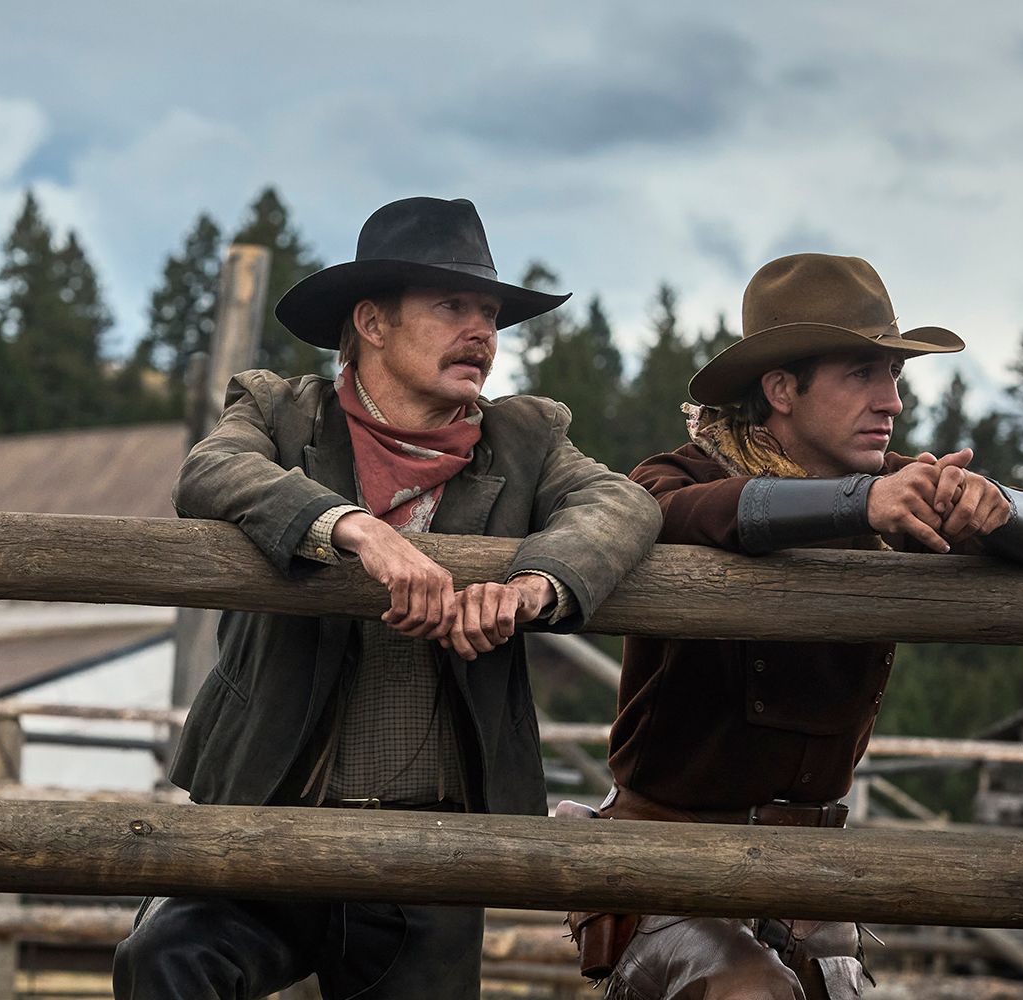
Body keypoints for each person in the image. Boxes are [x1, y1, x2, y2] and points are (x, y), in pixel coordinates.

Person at [113, 196, 662, 999]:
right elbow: (211, 471)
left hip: (429, 843)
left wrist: (529, 588)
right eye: (452, 307)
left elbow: (623, 506)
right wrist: (354, 531)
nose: (481, 330)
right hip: (270, 813)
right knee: (166, 959)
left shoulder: (528, 436)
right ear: (371, 322)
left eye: (490, 313)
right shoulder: (280, 409)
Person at [575, 253, 1023, 1000]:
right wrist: (858, 505)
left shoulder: (897, 488)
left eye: (895, 375)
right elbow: (675, 511)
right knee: (751, 994)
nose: (892, 401)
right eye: (862, 374)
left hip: (810, 879)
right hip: (668, 865)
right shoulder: (676, 477)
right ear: (781, 389)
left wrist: (991, 506)